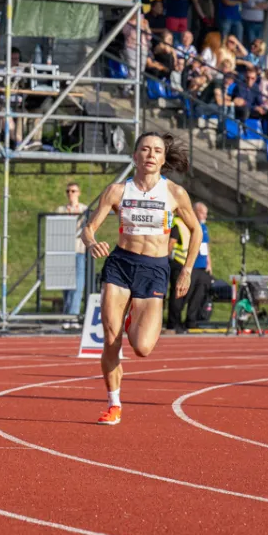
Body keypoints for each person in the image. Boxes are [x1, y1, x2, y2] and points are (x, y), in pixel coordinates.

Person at [80, 132, 201, 425]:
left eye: (157, 151)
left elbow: (196, 230)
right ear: (134, 156)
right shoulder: (117, 191)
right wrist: (92, 241)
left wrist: (185, 270)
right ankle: (114, 403)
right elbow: (89, 228)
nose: (150, 155)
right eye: (144, 149)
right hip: (121, 265)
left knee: (143, 348)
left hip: (155, 269)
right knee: (111, 338)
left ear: (163, 159)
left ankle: (134, 317)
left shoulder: (174, 193)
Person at [56, 182, 87, 320]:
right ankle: (66, 315)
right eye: (68, 191)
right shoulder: (61, 209)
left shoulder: (84, 209)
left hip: (79, 250)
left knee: (78, 285)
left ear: (78, 193)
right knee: (66, 287)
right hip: (64, 251)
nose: (70, 193)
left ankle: (73, 316)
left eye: (73, 191)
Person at [185, 202, 212, 329]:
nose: (204, 215)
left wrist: (209, 263)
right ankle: (176, 321)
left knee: (199, 294)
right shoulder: (190, 224)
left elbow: (206, 246)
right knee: (186, 293)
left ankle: (192, 320)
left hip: (202, 266)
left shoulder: (204, 227)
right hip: (192, 265)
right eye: (202, 212)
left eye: (205, 213)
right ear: (195, 211)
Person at [166, 212, 191, 333]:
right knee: (179, 294)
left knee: (175, 295)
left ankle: (173, 324)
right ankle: (176, 323)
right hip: (182, 262)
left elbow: (171, 242)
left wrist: (162, 256)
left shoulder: (176, 223)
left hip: (176, 262)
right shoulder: (184, 224)